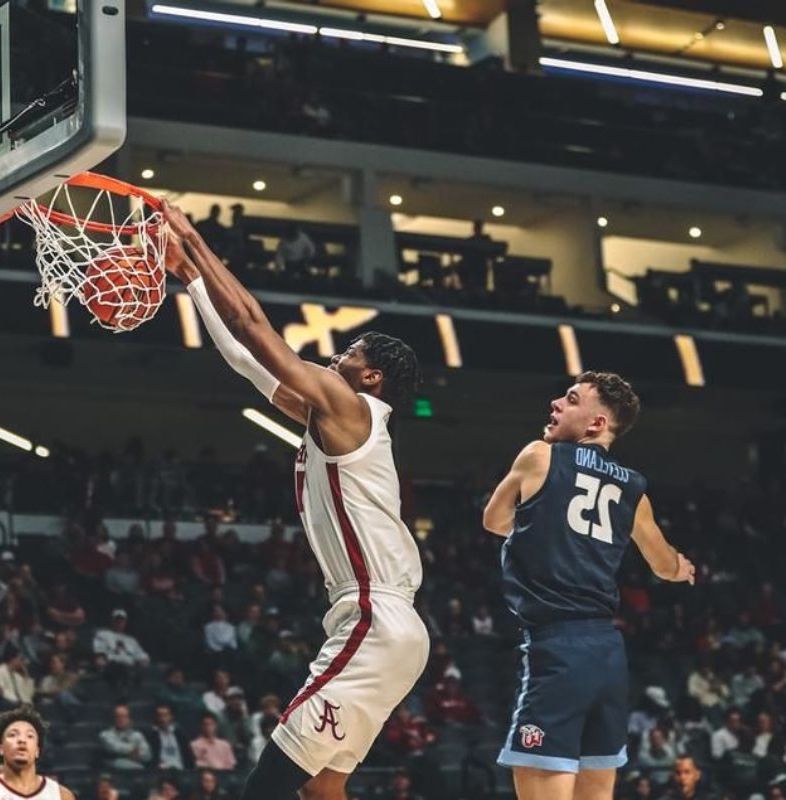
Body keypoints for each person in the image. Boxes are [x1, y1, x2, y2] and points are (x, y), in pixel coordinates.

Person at [163, 206, 430, 800]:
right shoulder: (335, 416)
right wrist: (193, 284)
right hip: (388, 625)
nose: (337, 357)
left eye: (351, 353)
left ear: (373, 378)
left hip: (375, 618)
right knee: (321, 790)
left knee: (269, 786)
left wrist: (196, 246)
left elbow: (257, 326)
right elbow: (243, 358)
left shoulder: (350, 407)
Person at [482, 372, 696, 800]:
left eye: (572, 399)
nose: (556, 403)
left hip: (556, 648)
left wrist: (541, 524)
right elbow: (664, 563)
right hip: (607, 653)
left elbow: (493, 520)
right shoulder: (634, 488)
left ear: (596, 423)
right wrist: (683, 568)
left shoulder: (540, 456)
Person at [0, 705, 74, 800]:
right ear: (1, 749)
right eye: (13, 735)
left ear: (37, 750)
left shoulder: (61, 795)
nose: (22, 740)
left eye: (30, 736)